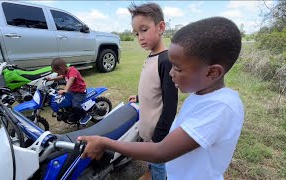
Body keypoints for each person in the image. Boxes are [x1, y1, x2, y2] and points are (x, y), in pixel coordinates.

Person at [78, 16, 244, 180]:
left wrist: (105, 143)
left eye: (178, 69)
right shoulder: (202, 94)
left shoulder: (221, 108)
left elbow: (161, 152)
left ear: (212, 72)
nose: (171, 73)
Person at [127, 3, 178, 179]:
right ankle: (150, 170)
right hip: (147, 124)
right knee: (150, 156)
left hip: (158, 131)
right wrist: (139, 96)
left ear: (161, 27)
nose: (140, 37)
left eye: (144, 29)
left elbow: (171, 103)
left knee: (158, 162)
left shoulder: (166, 60)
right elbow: (152, 85)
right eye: (136, 33)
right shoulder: (151, 55)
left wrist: (159, 136)